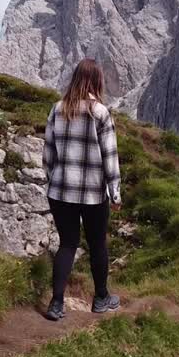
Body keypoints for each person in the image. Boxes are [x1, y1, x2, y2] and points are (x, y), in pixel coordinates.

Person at [41, 58, 122, 321]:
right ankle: (100, 299)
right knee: (97, 244)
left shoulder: (57, 109)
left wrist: (54, 177)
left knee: (67, 244)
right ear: (97, 81)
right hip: (92, 194)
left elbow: (48, 153)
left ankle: (56, 303)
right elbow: (110, 156)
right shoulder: (100, 113)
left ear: (75, 78)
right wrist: (115, 192)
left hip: (61, 190)